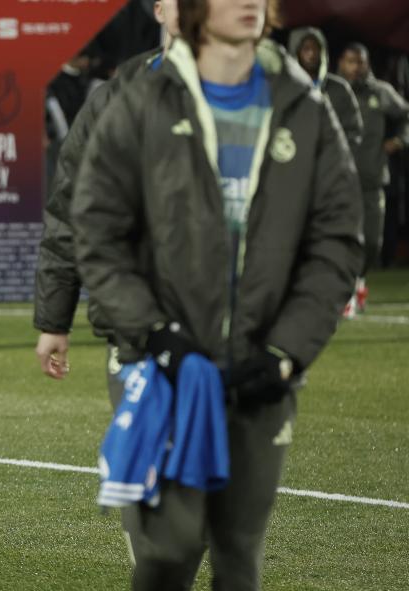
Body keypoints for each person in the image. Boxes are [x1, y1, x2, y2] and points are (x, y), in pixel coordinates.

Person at [70, 0, 362, 588]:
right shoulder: (145, 100)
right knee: (168, 552)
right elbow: (97, 231)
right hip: (166, 368)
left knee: (239, 554)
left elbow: (337, 242)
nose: (250, 1)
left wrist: (284, 353)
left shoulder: (305, 107)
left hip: (263, 375)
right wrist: (152, 331)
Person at [34, 0, 179, 383]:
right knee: (149, 443)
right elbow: (70, 210)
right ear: (160, 10)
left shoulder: (266, 97)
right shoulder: (115, 99)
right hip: (134, 324)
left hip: (232, 328)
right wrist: (55, 320)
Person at [337, 42, 409, 314]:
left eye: (361, 62)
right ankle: (345, 292)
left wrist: (399, 140)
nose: (356, 67)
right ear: (340, 63)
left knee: (371, 242)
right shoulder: (330, 91)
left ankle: (359, 282)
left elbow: (406, 116)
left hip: (371, 178)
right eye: (351, 61)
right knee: (340, 238)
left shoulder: (381, 92)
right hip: (336, 180)